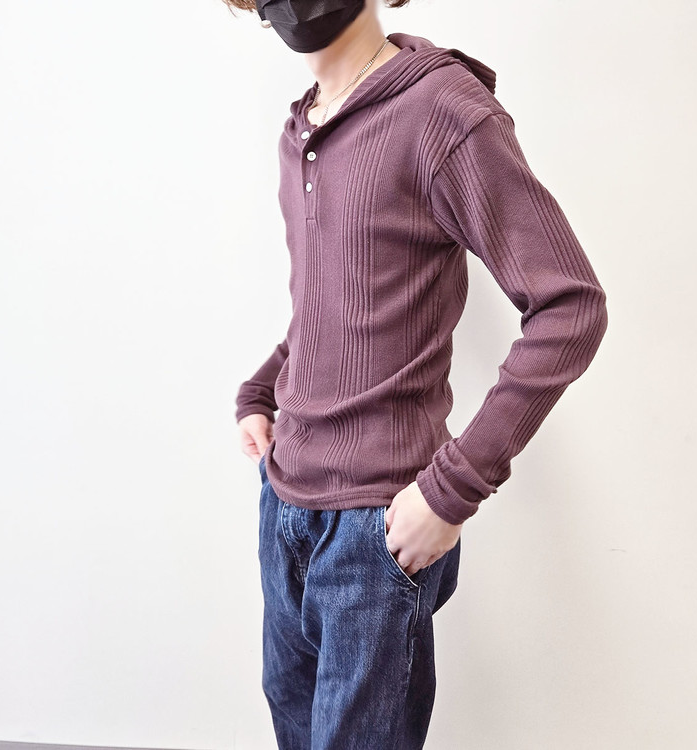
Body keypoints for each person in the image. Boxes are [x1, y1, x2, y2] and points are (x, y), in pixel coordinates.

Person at [229, 0, 608, 747]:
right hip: (283, 503)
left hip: (376, 528)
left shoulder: (442, 111)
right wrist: (264, 388)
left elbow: (570, 307)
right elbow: (331, 304)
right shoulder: (300, 131)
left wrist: (451, 490)